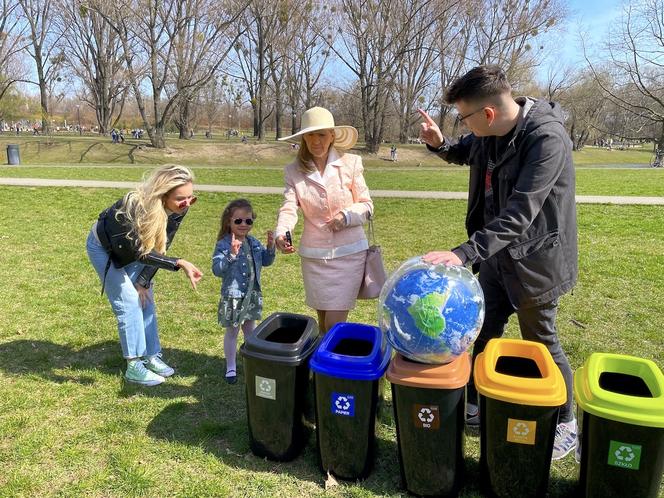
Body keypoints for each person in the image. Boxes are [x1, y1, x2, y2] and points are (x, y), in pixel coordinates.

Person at [418, 65, 578, 460]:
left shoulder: (546, 138)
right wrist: (440, 144)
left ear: (488, 114)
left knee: (541, 339)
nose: (463, 125)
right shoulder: (490, 133)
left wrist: (463, 253)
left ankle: (565, 422)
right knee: (484, 329)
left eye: (464, 118)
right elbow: (466, 150)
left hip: (535, 260)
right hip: (495, 257)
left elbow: (521, 213)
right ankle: (475, 401)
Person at [86, 164, 203, 386]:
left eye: (191, 198)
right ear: (163, 195)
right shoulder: (135, 208)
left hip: (138, 252)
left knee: (145, 297)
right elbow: (139, 252)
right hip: (105, 250)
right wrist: (179, 263)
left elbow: (162, 244)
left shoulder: (179, 209)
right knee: (129, 302)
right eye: (181, 198)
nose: (187, 204)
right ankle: (134, 366)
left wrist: (144, 280)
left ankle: (151, 356)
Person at [275, 106, 373, 334]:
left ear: (332, 136)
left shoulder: (352, 163)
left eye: (321, 134)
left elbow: (367, 206)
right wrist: (282, 232)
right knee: (322, 323)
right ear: (303, 138)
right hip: (314, 257)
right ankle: (322, 368)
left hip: (350, 255)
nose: (316, 141)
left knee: (334, 324)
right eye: (310, 134)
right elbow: (289, 207)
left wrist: (346, 216)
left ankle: (333, 367)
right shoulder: (293, 171)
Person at [212, 199, 276, 384]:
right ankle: (231, 366)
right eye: (238, 221)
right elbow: (217, 269)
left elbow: (266, 261)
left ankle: (251, 362)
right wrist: (232, 254)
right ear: (229, 222)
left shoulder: (253, 242)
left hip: (252, 293)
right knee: (232, 331)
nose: (243, 225)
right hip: (233, 296)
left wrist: (270, 247)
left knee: (250, 330)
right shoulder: (224, 244)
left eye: (248, 221)